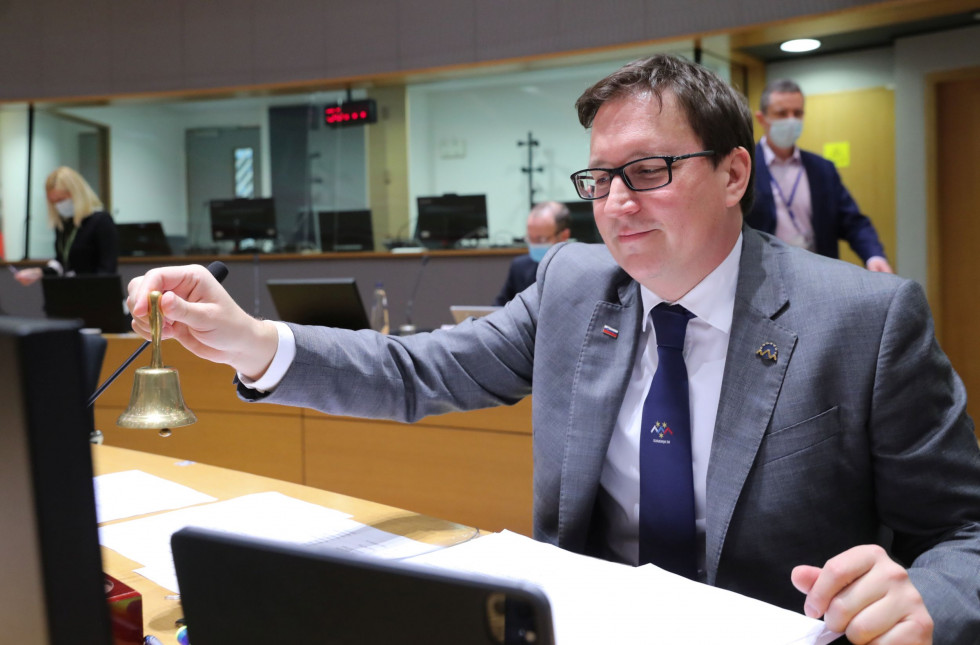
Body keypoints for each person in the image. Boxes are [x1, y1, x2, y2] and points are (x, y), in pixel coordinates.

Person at [127, 55, 980, 644]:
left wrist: (929, 597)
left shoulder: (864, 319)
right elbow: (419, 369)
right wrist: (250, 340)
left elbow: (966, 531)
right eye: (599, 179)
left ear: (732, 174)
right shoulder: (575, 286)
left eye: (647, 171)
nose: (614, 202)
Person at [745, 79, 893, 273]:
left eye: (797, 113)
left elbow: (853, 221)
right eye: (782, 113)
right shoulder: (746, 167)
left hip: (819, 273)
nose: (791, 120)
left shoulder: (822, 169)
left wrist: (874, 255)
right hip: (765, 273)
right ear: (762, 118)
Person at [13, 166, 118, 286]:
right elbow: (62, 263)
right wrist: (38, 272)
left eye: (61, 199)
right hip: (69, 294)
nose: (59, 205)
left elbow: (107, 269)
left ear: (77, 194)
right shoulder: (63, 223)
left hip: (95, 295)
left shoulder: (101, 221)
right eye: (54, 202)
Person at [493, 201, 571, 305]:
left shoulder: (580, 271)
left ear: (564, 236)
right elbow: (498, 308)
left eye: (541, 239)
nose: (535, 245)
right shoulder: (520, 267)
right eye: (530, 238)